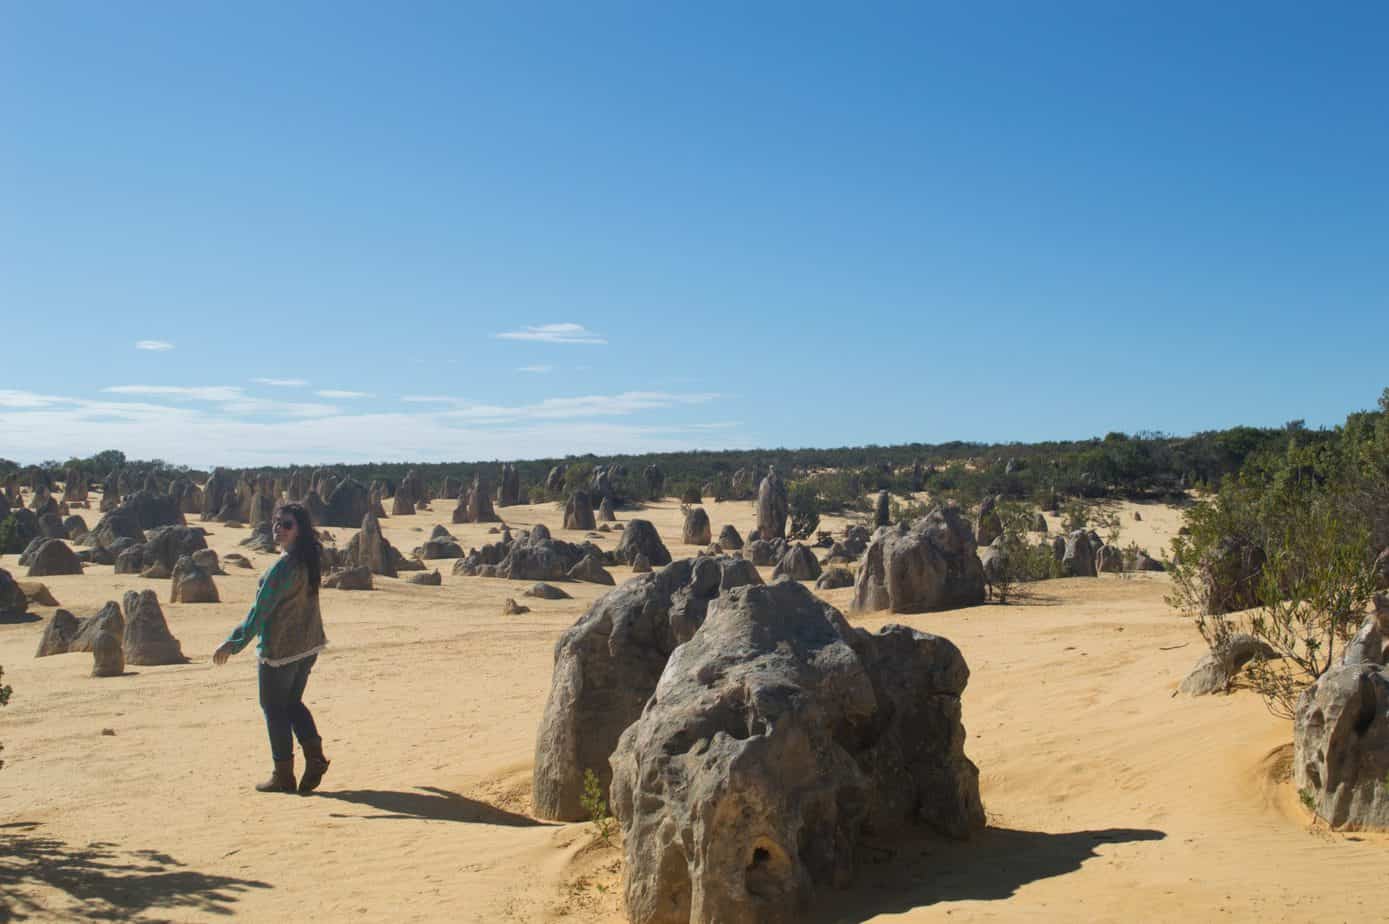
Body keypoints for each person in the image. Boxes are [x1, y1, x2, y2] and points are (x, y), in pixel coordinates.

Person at [213, 502, 330, 794]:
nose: (278, 528)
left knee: (273, 709)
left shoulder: (283, 567)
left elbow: (260, 611)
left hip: (281, 650)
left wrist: (234, 642)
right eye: (276, 523)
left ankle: (283, 775)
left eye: (287, 524)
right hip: (308, 645)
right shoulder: (308, 558)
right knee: (292, 704)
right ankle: (314, 758)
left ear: (299, 530)